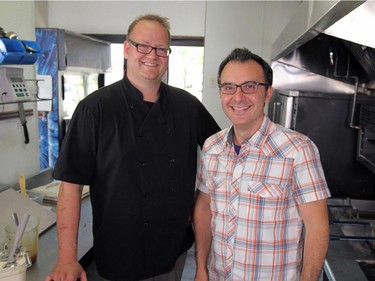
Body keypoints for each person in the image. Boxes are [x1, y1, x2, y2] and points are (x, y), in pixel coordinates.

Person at [45, 14, 220, 281]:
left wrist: (200, 197)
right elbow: (70, 185)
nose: (153, 55)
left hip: (172, 250)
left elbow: (222, 152)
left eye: (162, 49)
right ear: (127, 48)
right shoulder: (95, 109)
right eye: (143, 46)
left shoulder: (187, 106)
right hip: (119, 252)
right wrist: (67, 258)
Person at [193, 48, 331, 281]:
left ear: (267, 93)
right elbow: (204, 207)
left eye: (249, 86)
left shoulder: (298, 150)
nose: (237, 97)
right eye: (229, 87)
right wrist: (200, 268)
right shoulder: (212, 147)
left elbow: (317, 226)